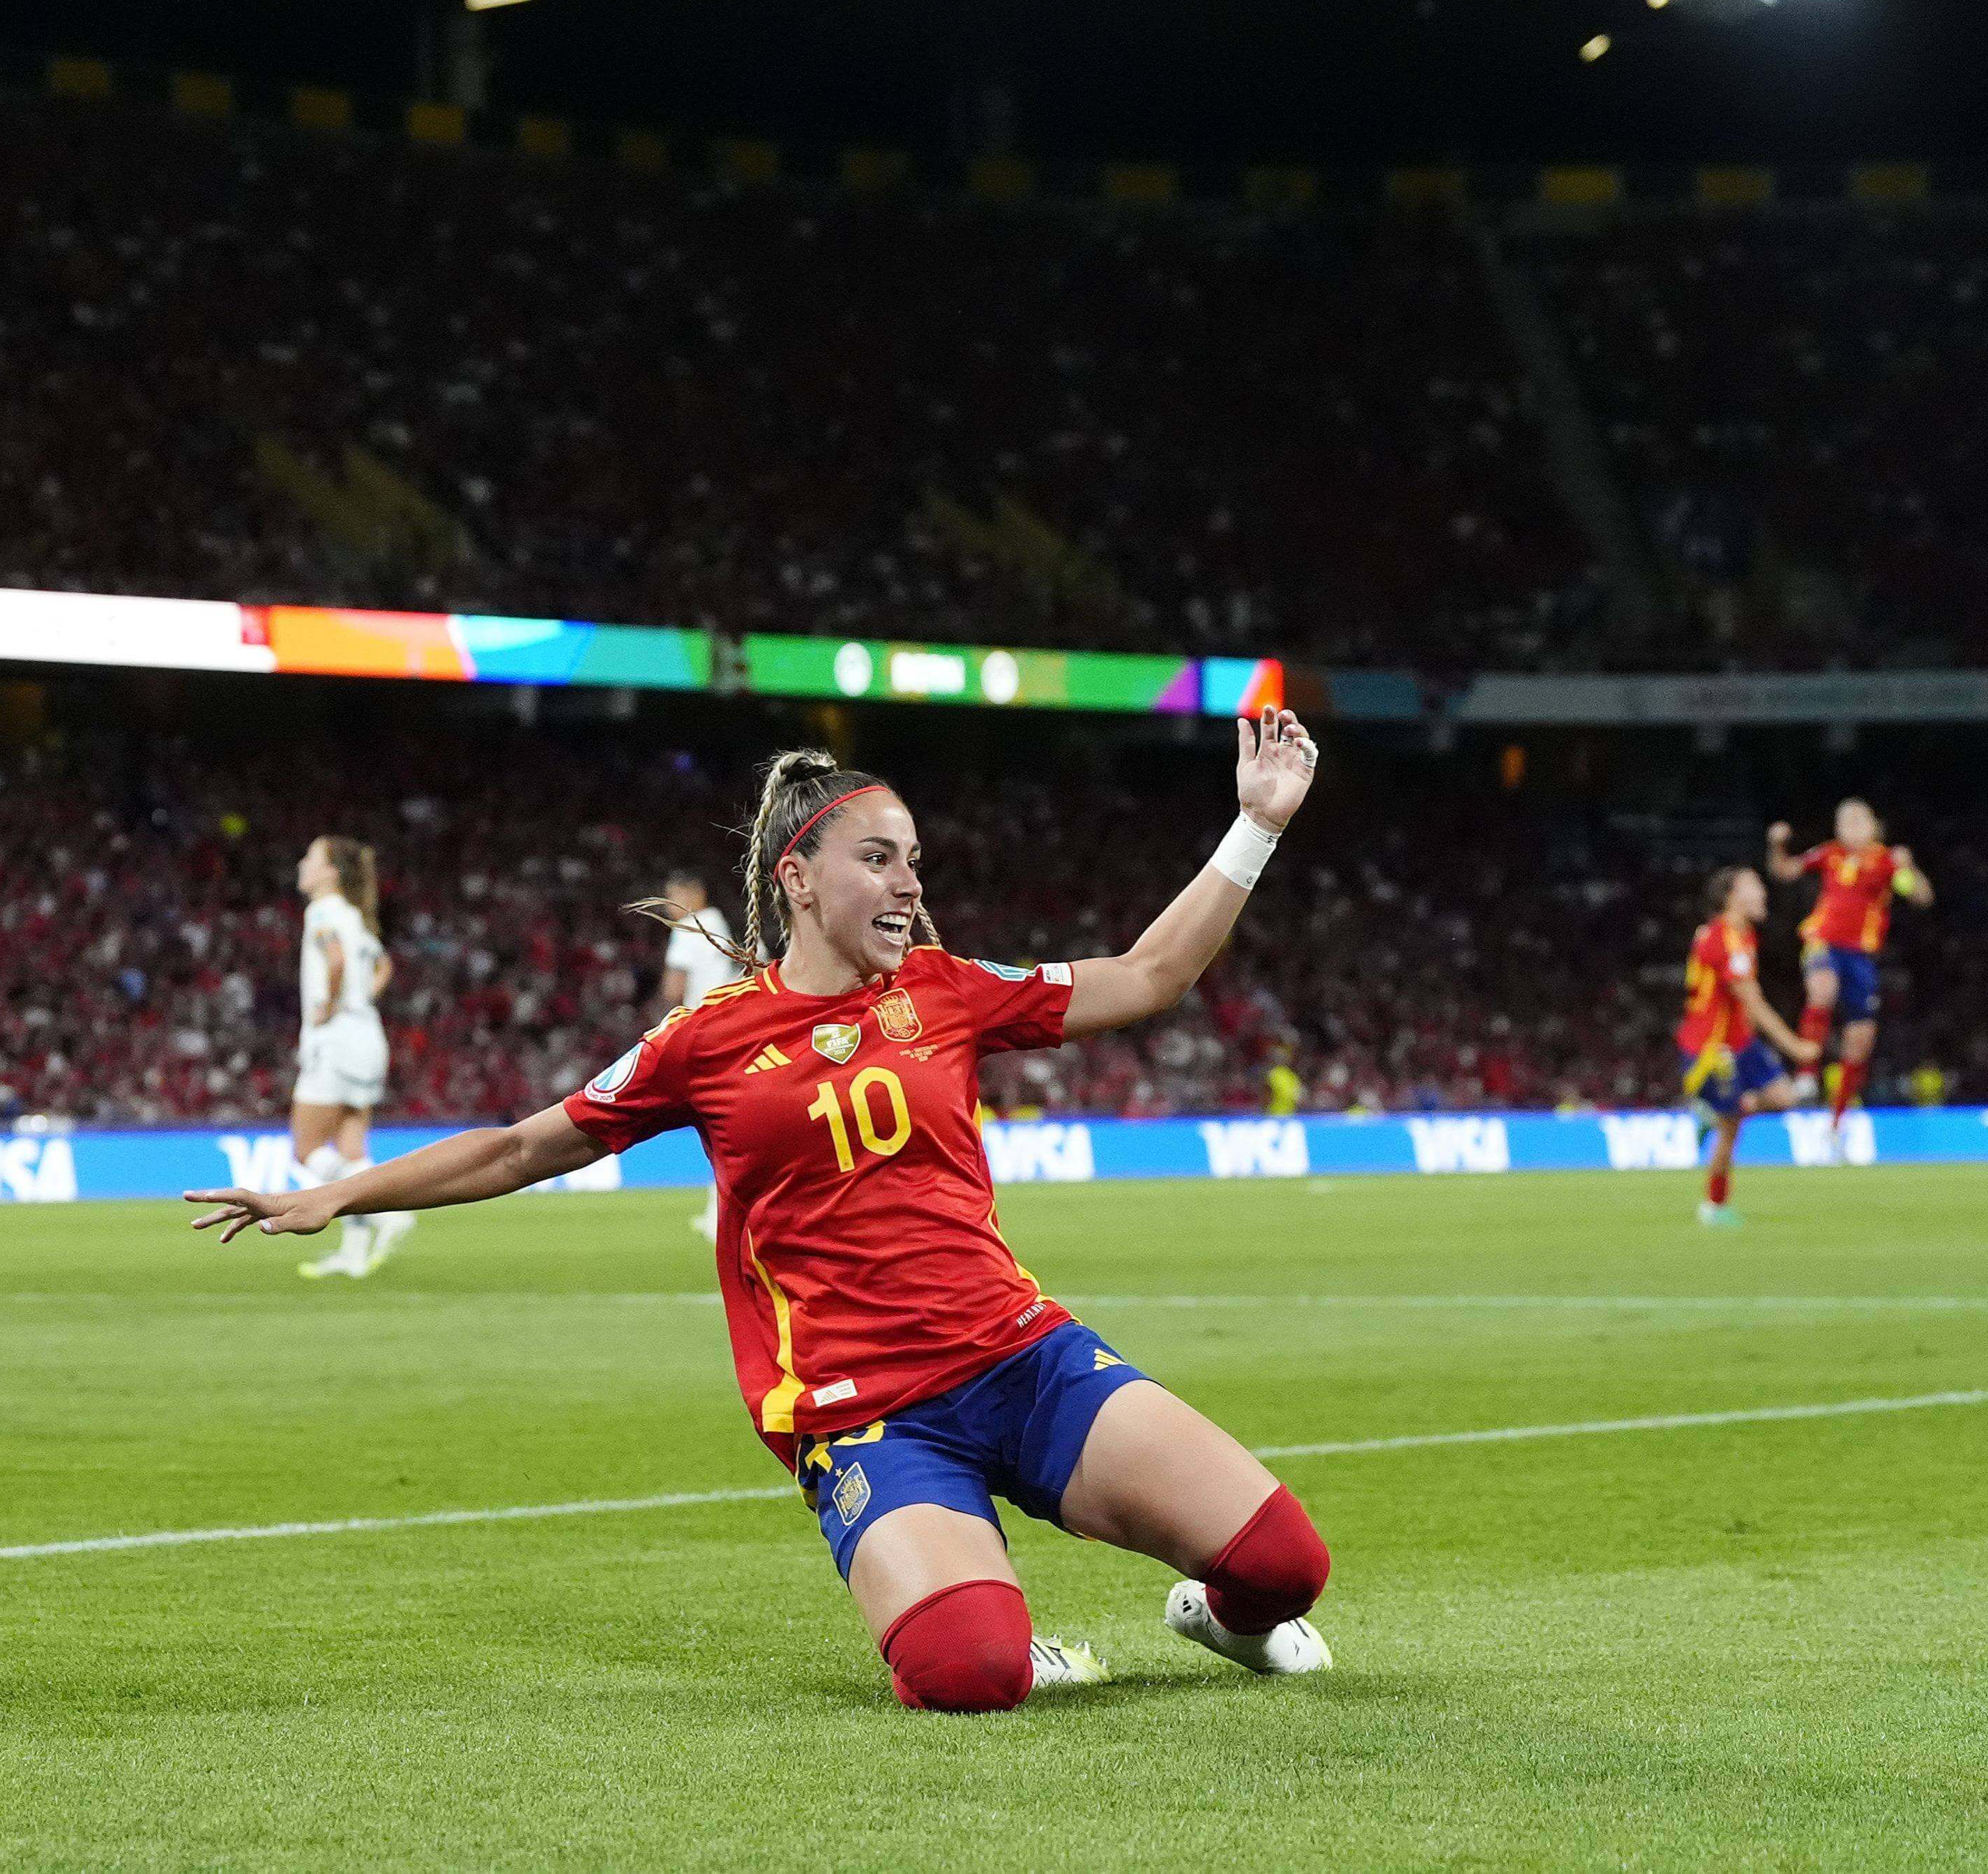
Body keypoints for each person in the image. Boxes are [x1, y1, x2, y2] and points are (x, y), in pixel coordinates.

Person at [191, 716, 1337, 1709]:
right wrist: (336, 1192)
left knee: (1284, 1563)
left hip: (1022, 1363)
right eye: (879, 859)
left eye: (916, 862)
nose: (909, 885)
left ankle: (1221, 1620)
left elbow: (1146, 976)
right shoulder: (707, 1039)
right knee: (968, 1673)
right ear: (797, 875)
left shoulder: (945, 991)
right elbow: (519, 1147)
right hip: (866, 1411)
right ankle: (997, 1624)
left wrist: (1260, 825)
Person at [1765, 801, 1932, 1133]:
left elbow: (1920, 897)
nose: (1850, 825)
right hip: (1824, 942)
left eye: (1858, 819)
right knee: (1823, 989)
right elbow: (1784, 871)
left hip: (1861, 956)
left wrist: (1909, 868)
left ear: (1874, 825)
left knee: (1860, 1039)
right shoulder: (1830, 854)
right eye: (1844, 820)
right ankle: (1807, 1074)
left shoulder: (1886, 860)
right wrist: (1777, 844)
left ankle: (1837, 1123)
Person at [1677, 866, 1823, 1228]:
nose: (1763, 892)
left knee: (1785, 1098)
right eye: (1754, 886)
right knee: (1731, 1129)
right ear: (1732, 896)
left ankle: (1717, 1114)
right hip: (1711, 1050)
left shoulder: (1742, 937)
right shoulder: (1722, 939)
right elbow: (1753, 1002)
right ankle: (1713, 1206)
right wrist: (1795, 1047)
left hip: (1740, 1043)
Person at [291, 836, 404, 1280]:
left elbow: (334, 961)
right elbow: (383, 967)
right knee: (352, 1148)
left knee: (307, 1149)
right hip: (367, 1036)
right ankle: (354, 1255)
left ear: (331, 872)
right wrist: (360, 1002)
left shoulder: (321, 911)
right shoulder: (355, 916)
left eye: (310, 858)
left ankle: (387, 1214)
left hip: (335, 1039)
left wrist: (329, 1004)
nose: (303, 864)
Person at [651, 870, 743, 1243]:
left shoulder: (689, 928)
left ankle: (719, 1218)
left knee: (713, 1128)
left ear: (693, 893)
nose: (671, 910)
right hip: (734, 1029)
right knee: (727, 1129)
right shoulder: (720, 923)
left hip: (703, 1037)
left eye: (674, 898)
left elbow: (675, 988)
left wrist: (657, 1025)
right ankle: (718, 1213)